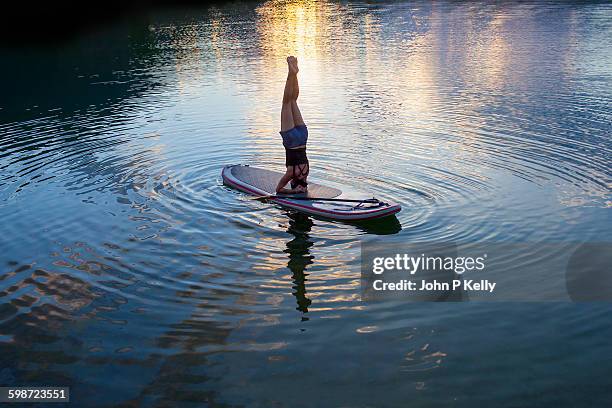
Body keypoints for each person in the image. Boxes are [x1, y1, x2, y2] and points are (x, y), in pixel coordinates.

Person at [275, 56, 309, 194]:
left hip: (303, 137)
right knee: (286, 102)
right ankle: (291, 73)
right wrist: (292, 192)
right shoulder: (291, 173)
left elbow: (300, 184)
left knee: (294, 100)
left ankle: (295, 75)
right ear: (293, 183)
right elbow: (279, 190)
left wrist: (299, 189)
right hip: (292, 140)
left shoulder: (306, 171)